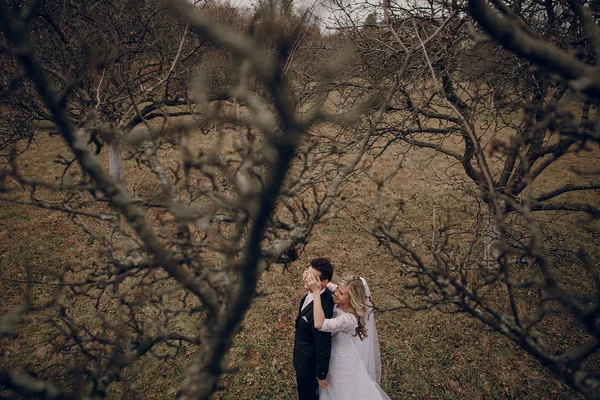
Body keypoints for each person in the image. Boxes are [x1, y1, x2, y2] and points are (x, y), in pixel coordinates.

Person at [304, 273, 391, 400]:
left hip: (339, 357)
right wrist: (315, 279)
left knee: (339, 389)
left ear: (352, 298)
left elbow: (321, 324)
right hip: (330, 349)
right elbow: (330, 286)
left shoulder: (348, 319)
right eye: (338, 289)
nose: (336, 294)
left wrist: (316, 293)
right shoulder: (341, 294)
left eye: (341, 293)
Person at [293, 258, 335, 400]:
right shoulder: (316, 292)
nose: (306, 278)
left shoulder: (322, 310)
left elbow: (323, 344)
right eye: (307, 273)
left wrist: (321, 374)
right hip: (302, 357)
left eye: (312, 277)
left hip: (308, 366)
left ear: (324, 283)